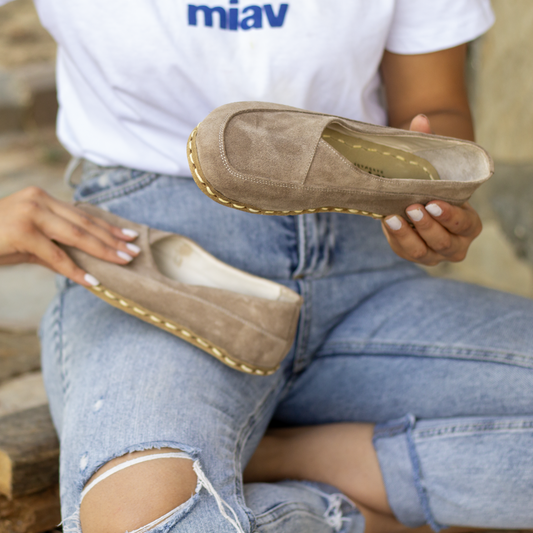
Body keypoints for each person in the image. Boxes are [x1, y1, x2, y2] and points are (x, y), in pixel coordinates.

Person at [1, 1, 533, 532]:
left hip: (363, 263)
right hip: (154, 271)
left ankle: (301, 457)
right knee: (144, 518)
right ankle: (354, 516)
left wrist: (429, 197)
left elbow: (434, 106)